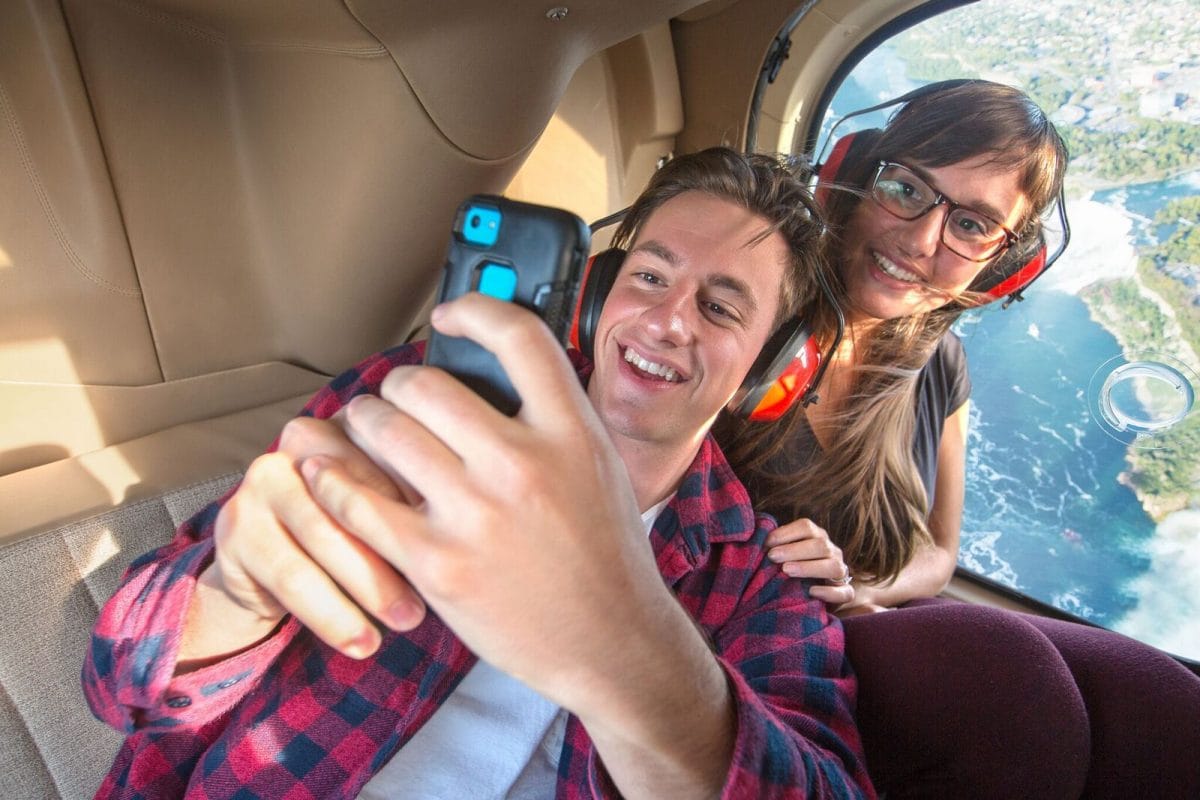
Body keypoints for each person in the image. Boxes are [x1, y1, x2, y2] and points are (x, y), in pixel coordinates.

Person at [82, 148, 876, 799]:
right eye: (650, 276)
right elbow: (116, 679)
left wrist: (632, 652)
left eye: (721, 308)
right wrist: (233, 597)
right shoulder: (416, 400)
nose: (668, 320)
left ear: (769, 370)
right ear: (599, 295)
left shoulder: (760, 581)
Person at [718, 81, 1200, 798]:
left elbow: (939, 556)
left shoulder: (941, 364)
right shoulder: (746, 319)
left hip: (871, 616)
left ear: (1007, 264)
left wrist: (861, 591)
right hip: (760, 645)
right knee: (1018, 700)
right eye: (906, 188)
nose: (919, 240)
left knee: (1165, 705)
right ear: (855, 173)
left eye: (972, 225)